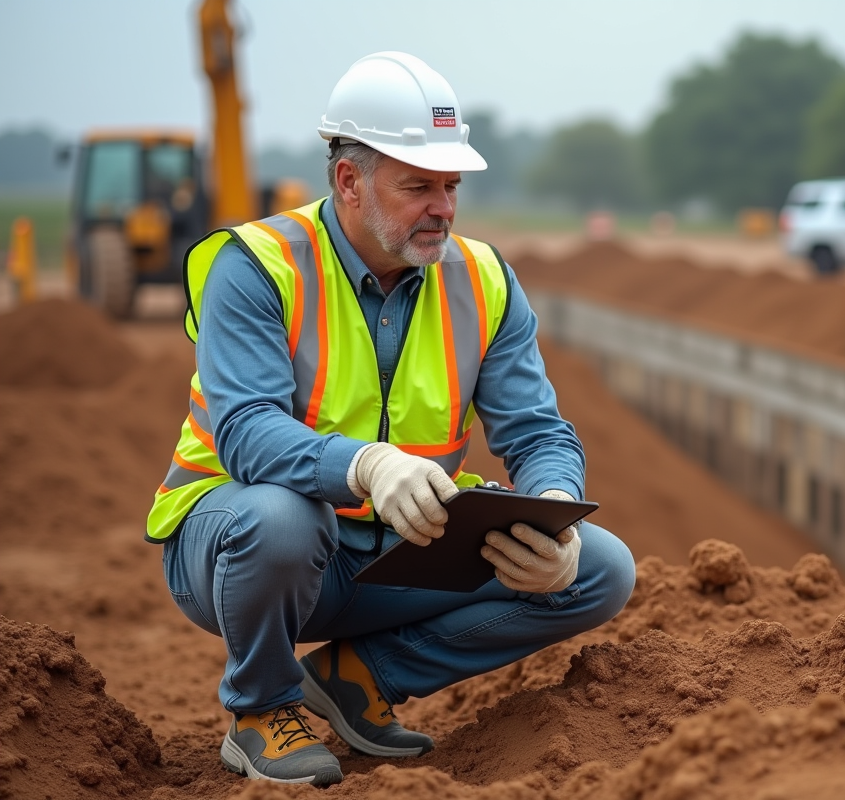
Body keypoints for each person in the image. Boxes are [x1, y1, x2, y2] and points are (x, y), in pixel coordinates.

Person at [146, 52, 636, 787]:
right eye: (419, 186)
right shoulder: (255, 266)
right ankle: (261, 712)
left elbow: (537, 432)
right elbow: (244, 430)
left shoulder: (482, 279)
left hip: (397, 553)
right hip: (242, 551)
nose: (443, 206)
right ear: (349, 180)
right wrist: (366, 464)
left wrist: (556, 514)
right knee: (285, 518)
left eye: (451, 186)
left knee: (600, 569)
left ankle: (359, 678)